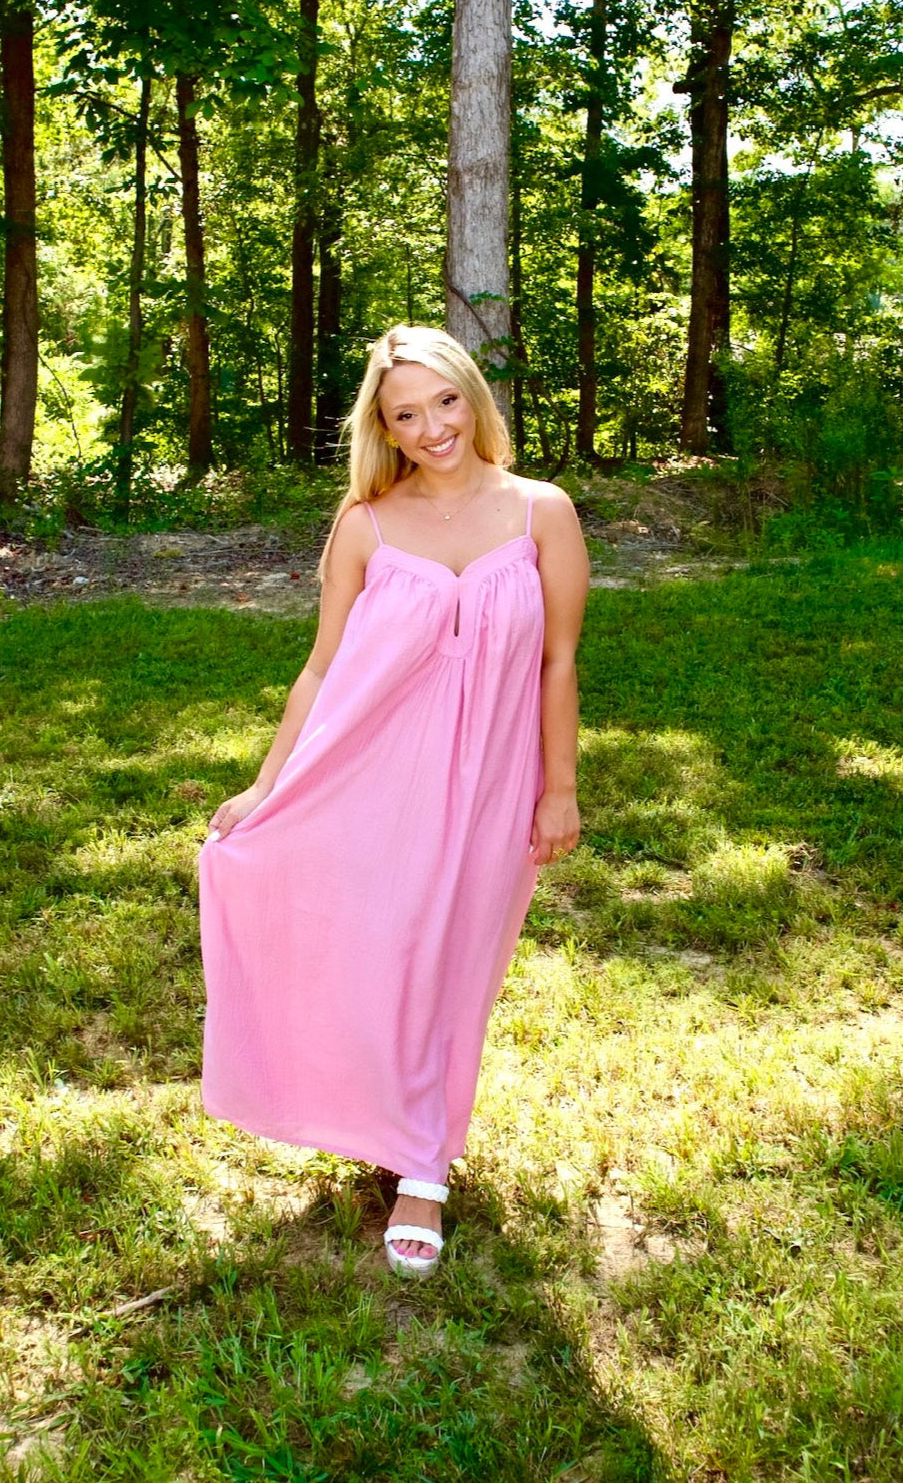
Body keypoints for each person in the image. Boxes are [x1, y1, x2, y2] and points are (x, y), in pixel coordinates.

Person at [199, 324, 589, 1278]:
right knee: (376, 946)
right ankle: (379, 1112)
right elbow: (322, 666)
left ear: (473, 395)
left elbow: (559, 659)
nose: (432, 427)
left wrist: (560, 788)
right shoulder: (365, 523)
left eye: (445, 401)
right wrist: (267, 782)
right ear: (385, 425)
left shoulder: (543, 512)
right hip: (373, 774)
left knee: (456, 960)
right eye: (406, 414)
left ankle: (424, 1167)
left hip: (495, 784)